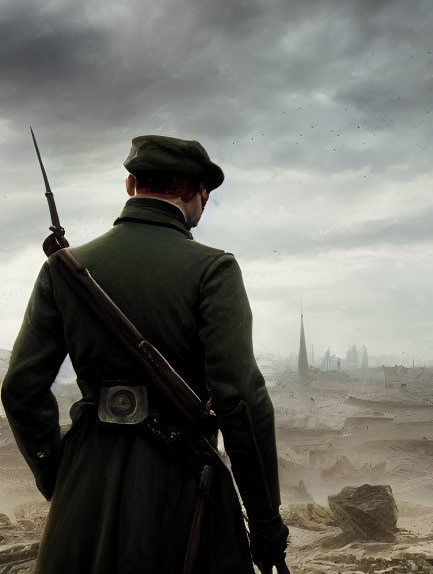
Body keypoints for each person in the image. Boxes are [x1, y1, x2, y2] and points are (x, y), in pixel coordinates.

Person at [1, 135, 289, 573]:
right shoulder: (214, 269)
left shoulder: (63, 268)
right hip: (184, 487)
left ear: (132, 185)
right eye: (204, 196)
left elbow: (22, 390)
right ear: (197, 194)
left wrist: (59, 476)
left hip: (84, 488)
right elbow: (242, 402)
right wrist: (266, 521)